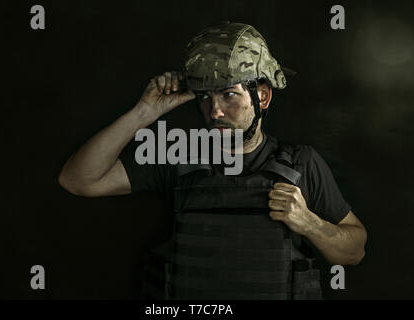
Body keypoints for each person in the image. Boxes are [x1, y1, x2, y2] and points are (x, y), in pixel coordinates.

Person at [58, 22, 367, 300]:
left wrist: (310, 223)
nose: (214, 111)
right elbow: (78, 180)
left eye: (228, 95)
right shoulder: (176, 156)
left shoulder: (302, 163)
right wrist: (144, 113)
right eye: (205, 97)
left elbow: (354, 251)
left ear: (262, 97)